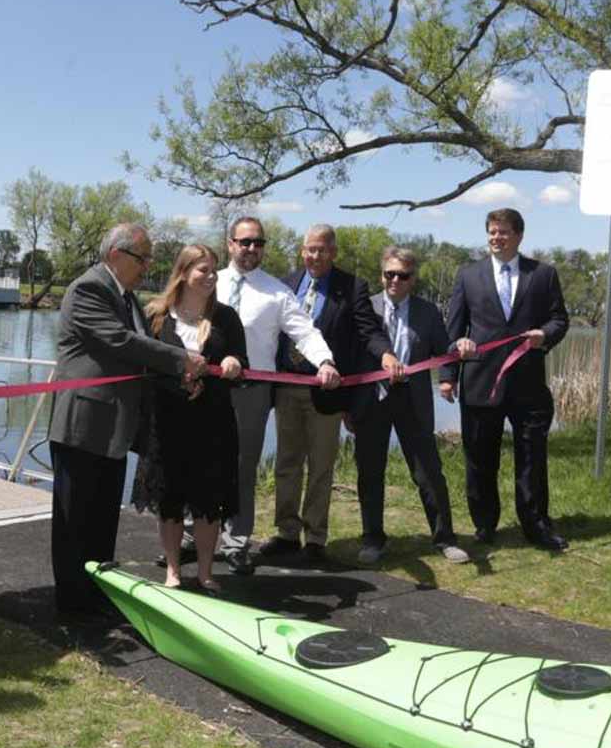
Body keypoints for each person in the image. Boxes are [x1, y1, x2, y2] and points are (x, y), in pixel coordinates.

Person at [48, 224, 206, 620]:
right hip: (83, 425)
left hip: (113, 427)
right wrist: (180, 359)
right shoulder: (89, 289)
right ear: (116, 255)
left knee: (101, 520)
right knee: (75, 521)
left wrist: (180, 373)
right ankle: (72, 603)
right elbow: (121, 341)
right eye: (143, 257)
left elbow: (138, 351)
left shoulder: (127, 295)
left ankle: (98, 591)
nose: (149, 265)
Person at [200, 216, 341, 575]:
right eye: (244, 242)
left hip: (252, 392)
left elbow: (304, 331)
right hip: (204, 387)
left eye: (258, 243)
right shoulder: (207, 282)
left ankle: (235, 542)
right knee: (199, 461)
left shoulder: (278, 292)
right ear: (230, 244)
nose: (251, 249)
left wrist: (324, 360)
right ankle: (192, 534)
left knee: (243, 468)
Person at [260, 224, 398, 562]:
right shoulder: (286, 284)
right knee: (287, 464)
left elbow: (368, 331)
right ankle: (287, 533)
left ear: (333, 252)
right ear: (301, 250)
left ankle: (316, 539)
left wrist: (386, 354)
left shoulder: (352, 287)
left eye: (322, 250)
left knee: (321, 466)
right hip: (288, 387)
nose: (315, 255)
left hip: (329, 392)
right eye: (310, 249)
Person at [444, 207, 570, 553]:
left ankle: (536, 525)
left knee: (531, 458)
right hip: (481, 382)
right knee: (480, 458)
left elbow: (560, 319)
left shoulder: (543, 275)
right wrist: (447, 376)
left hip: (528, 383)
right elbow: (454, 331)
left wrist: (543, 335)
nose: (495, 238)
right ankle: (485, 525)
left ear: (518, 236)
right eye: (491, 232)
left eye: (502, 232)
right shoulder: (468, 275)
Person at [131, 243, 247, 589]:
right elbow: (144, 365)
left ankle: (206, 572)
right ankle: (173, 570)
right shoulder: (155, 315)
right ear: (183, 272)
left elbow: (243, 364)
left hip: (212, 423)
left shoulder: (226, 317)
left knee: (208, 501)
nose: (211, 276)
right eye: (203, 269)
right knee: (170, 498)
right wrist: (177, 382)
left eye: (213, 270)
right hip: (166, 423)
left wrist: (233, 364)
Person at [350, 246, 468, 566]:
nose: (395, 281)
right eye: (390, 274)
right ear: (382, 275)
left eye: (402, 275)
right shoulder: (365, 307)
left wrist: (447, 378)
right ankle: (373, 539)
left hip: (413, 400)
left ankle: (445, 538)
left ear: (413, 278)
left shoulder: (428, 312)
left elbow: (444, 350)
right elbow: (351, 355)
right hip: (372, 399)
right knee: (370, 473)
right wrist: (347, 406)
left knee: (429, 472)